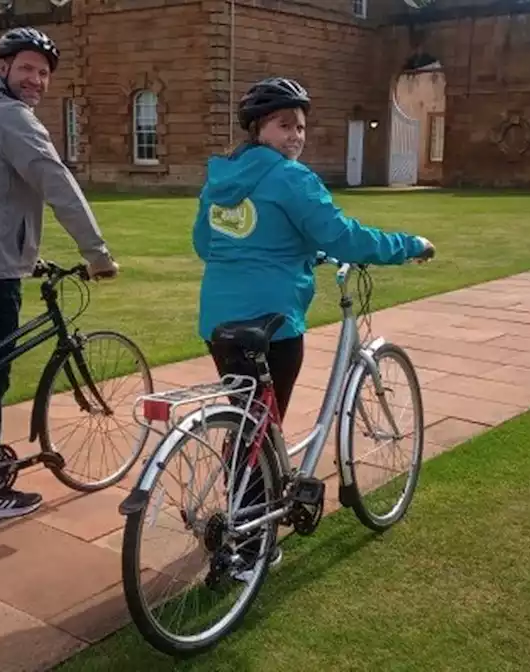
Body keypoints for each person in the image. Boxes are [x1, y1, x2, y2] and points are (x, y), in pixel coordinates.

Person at [191, 76, 435, 578]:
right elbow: (344, 236)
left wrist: (284, 250)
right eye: (284, 125)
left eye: (300, 126)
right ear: (259, 127)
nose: (295, 136)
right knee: (264, 426)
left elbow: (205, 243)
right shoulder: (291, 179)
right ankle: (251, 542)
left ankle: (241, 508)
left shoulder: (220, 178)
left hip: (219, 321)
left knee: (250, 421)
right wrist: (410, 244)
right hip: (273, 324)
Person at [0, 26, 119, 524]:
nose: (36, 79)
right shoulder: (12, 118)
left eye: (43, 71)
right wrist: (96, 253)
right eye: (26, 68)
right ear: (2, 69)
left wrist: (24, 253)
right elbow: (57, 183)